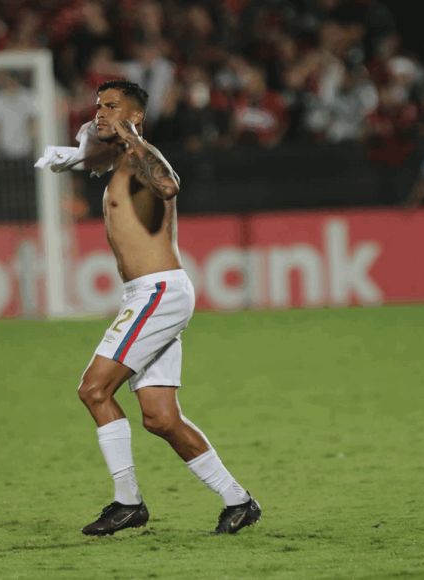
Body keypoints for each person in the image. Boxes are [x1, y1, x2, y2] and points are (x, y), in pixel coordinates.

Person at [41, 79, 261, 536]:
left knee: (94, 390)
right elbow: (93, 153)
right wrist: (77, 154)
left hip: (157, 292)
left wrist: (130, 137)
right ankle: (238, 500)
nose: (101, 112)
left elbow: (168, 185)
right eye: (99, 105)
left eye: (113, 106)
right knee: (161, 417)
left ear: (136, 115)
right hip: (149, 294)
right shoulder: (120, 159)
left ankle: (128, 502)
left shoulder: (145, 156)